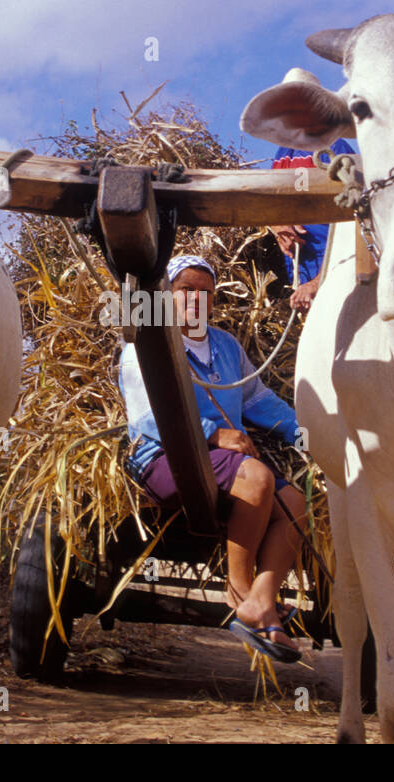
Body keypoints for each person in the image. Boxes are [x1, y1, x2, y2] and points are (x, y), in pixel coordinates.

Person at [117, 255, 310, 663]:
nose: (196, 298)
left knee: (294, 503)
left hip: (224, 466)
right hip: (162, 458)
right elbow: (145, 417)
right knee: (256, 477)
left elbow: (258, 399)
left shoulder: (225, 346)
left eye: (206, 292)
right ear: (166, 295)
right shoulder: (145, 343)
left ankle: (262, 599)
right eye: (186, 289)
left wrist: (305, 433)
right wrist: (214, 433)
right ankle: (239, 594)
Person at [267, 139, 356, 311]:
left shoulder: (335, 147)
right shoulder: (284, 152)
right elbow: (271, 200)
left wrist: (316, 283)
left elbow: (354, 226)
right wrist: (278, 225)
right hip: (299, 267)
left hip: (335, 267)